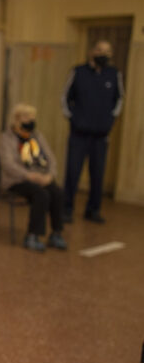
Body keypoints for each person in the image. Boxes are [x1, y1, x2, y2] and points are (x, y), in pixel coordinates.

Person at [61, 39, 125, 224]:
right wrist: (73, 118)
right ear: (92, 51)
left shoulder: (114, 75)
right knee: (73, 172)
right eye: (99, 50)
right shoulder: (78, 72)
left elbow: (119, 100)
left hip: (101, 135)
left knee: (98, 174)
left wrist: (109, 121)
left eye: (107, 51)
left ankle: (93, 209)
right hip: (79, 134)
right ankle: (67, 208)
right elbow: (65, 97)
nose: (102, 54)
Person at [0, 104, 67, 252]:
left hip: (40, 176)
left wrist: (50, 175)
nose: (31, 120)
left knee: (57, 192)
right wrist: (29, 175)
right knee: (41, 195)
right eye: (27, 117)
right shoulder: (6, 138)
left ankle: (56, 233)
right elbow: (8, 165)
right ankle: (32, 235)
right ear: (17, 119)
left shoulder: (37, 136)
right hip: (17, 180)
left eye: (33, 117)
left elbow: (51, 159)